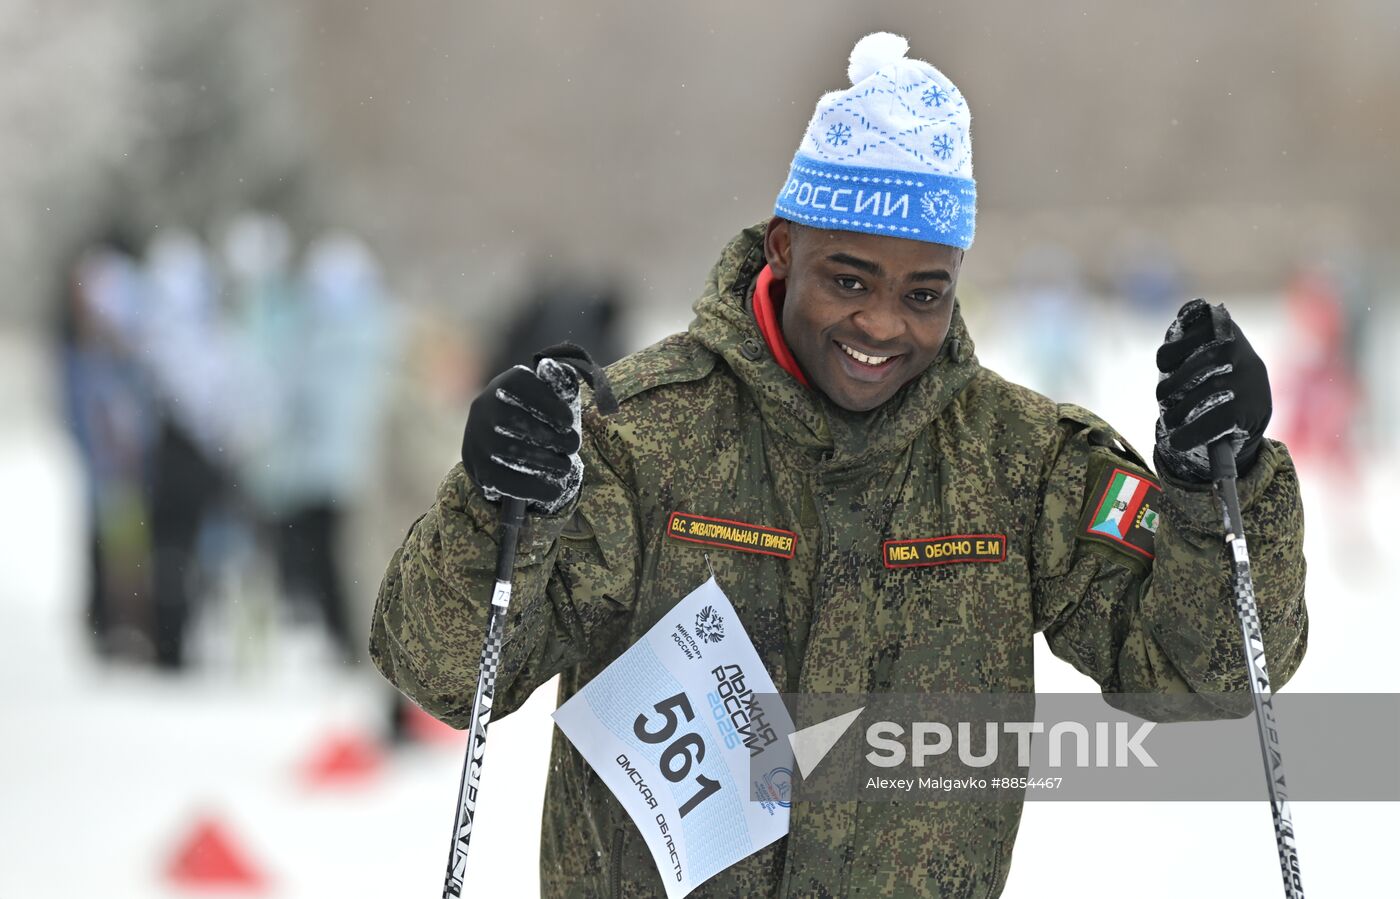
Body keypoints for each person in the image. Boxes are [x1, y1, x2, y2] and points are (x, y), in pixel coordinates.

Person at [370, 33, 1307, 898]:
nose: (883, 326)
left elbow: (1209, 678)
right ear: (784, 247)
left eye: (924, 292)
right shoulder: (641, 438)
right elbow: (446, 671)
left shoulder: (1022, 463)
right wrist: (494, 507)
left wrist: (1212, 492)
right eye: (848, 279)